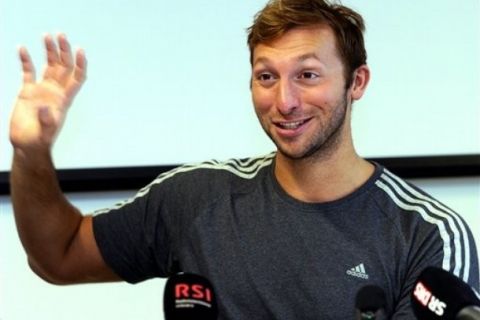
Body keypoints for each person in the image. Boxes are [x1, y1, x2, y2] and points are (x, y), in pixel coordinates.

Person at [9, 0, 479, 319]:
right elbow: (58, 256)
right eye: (266, 76)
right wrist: (31, 153)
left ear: (357, 82)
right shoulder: (194, 199)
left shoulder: (427, 233)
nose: (285, 100)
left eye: (308, 74)